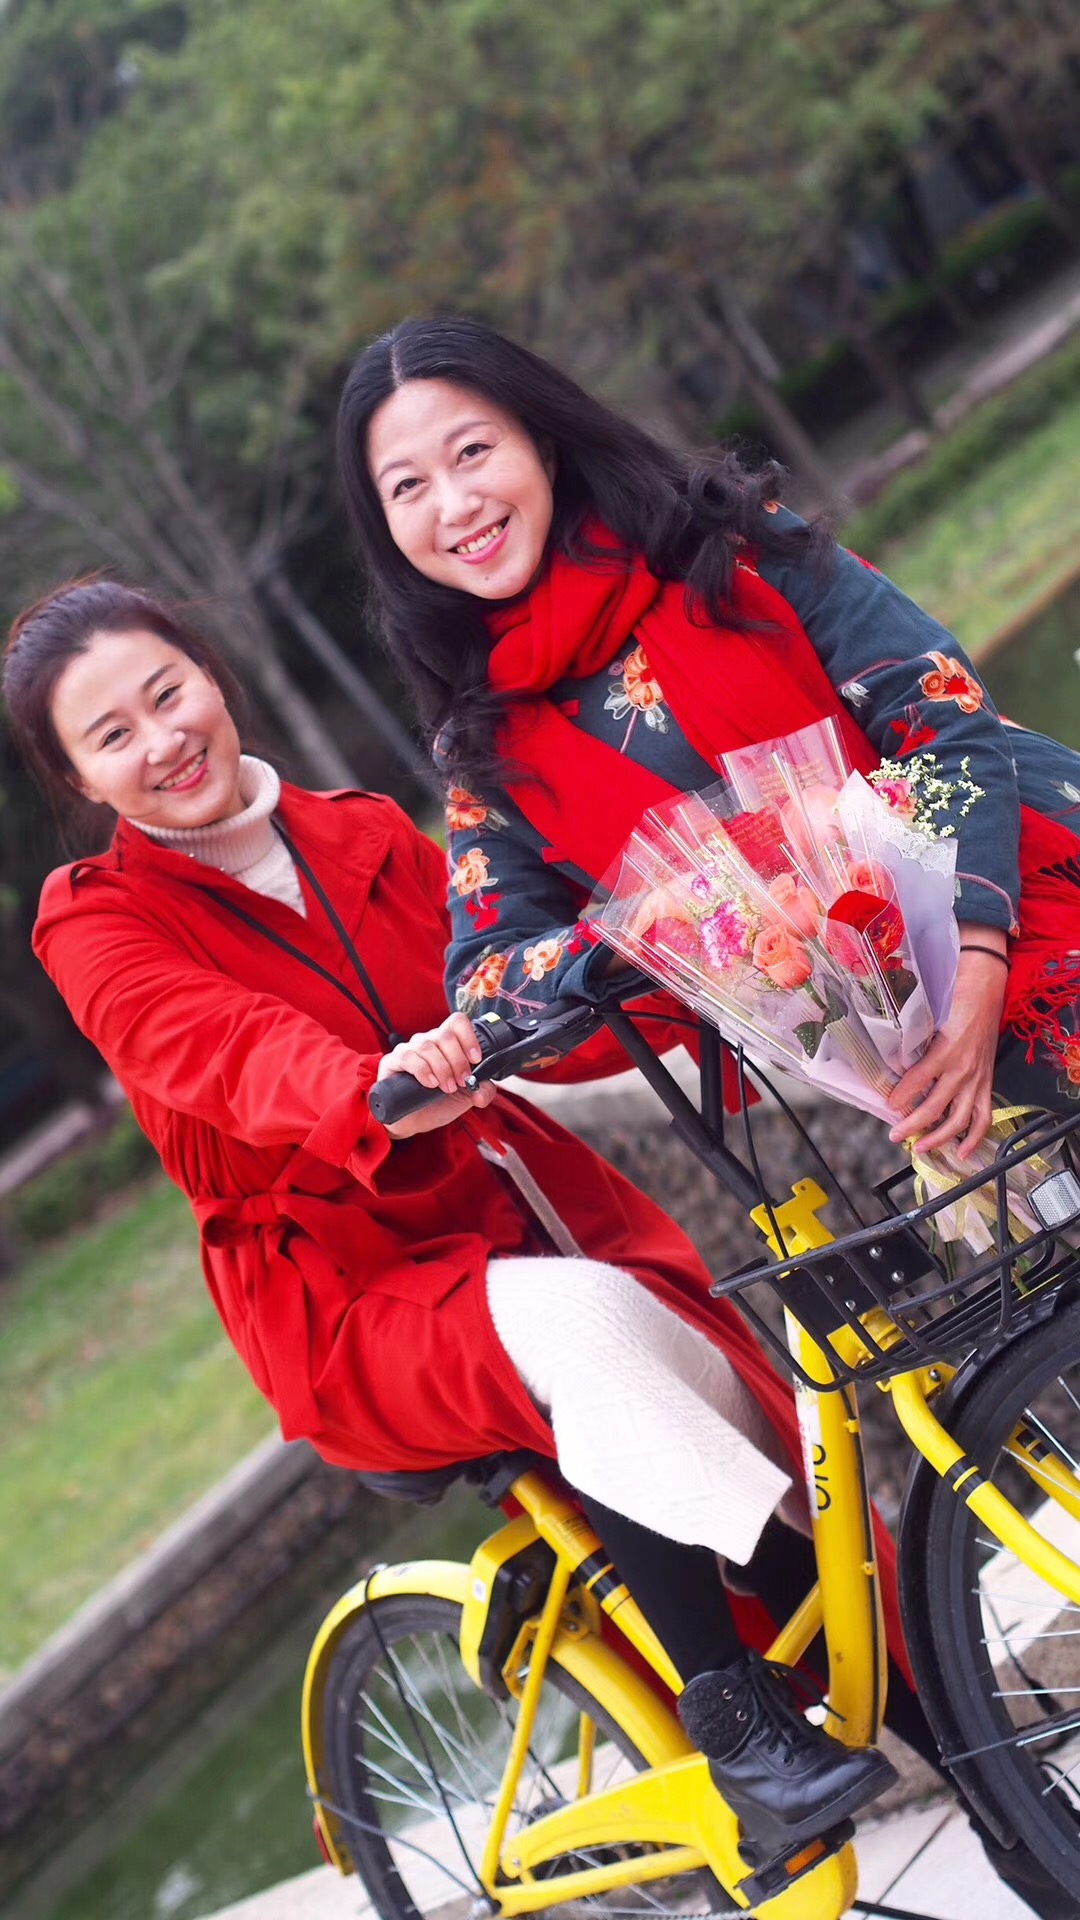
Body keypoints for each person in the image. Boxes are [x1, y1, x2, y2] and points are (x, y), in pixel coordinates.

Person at [332, 312, 1080, 1916]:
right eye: (408, 488)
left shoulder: (740, 554)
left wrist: (970, 975)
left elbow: (942, 718)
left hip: (1028, 931)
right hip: (861, 1064)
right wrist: (677, 927)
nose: (455, 503)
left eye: (472, 451)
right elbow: (495, 962)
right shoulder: (490, 748)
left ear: (539, 433)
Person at [6, 579, 917, 1864]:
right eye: (113, 736)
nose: (162, 741)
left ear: (210, 673)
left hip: (520, 1214)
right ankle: (734, 1721)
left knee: (758, 1440)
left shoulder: (365, 831)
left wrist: (695, 963)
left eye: (168, 693)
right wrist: (369, 1086)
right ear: (79, 781)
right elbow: (218, 1045)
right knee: (596, 1326)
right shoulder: (96, 918)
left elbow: (518, 988)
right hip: (348, 1293)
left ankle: (937, 1725)